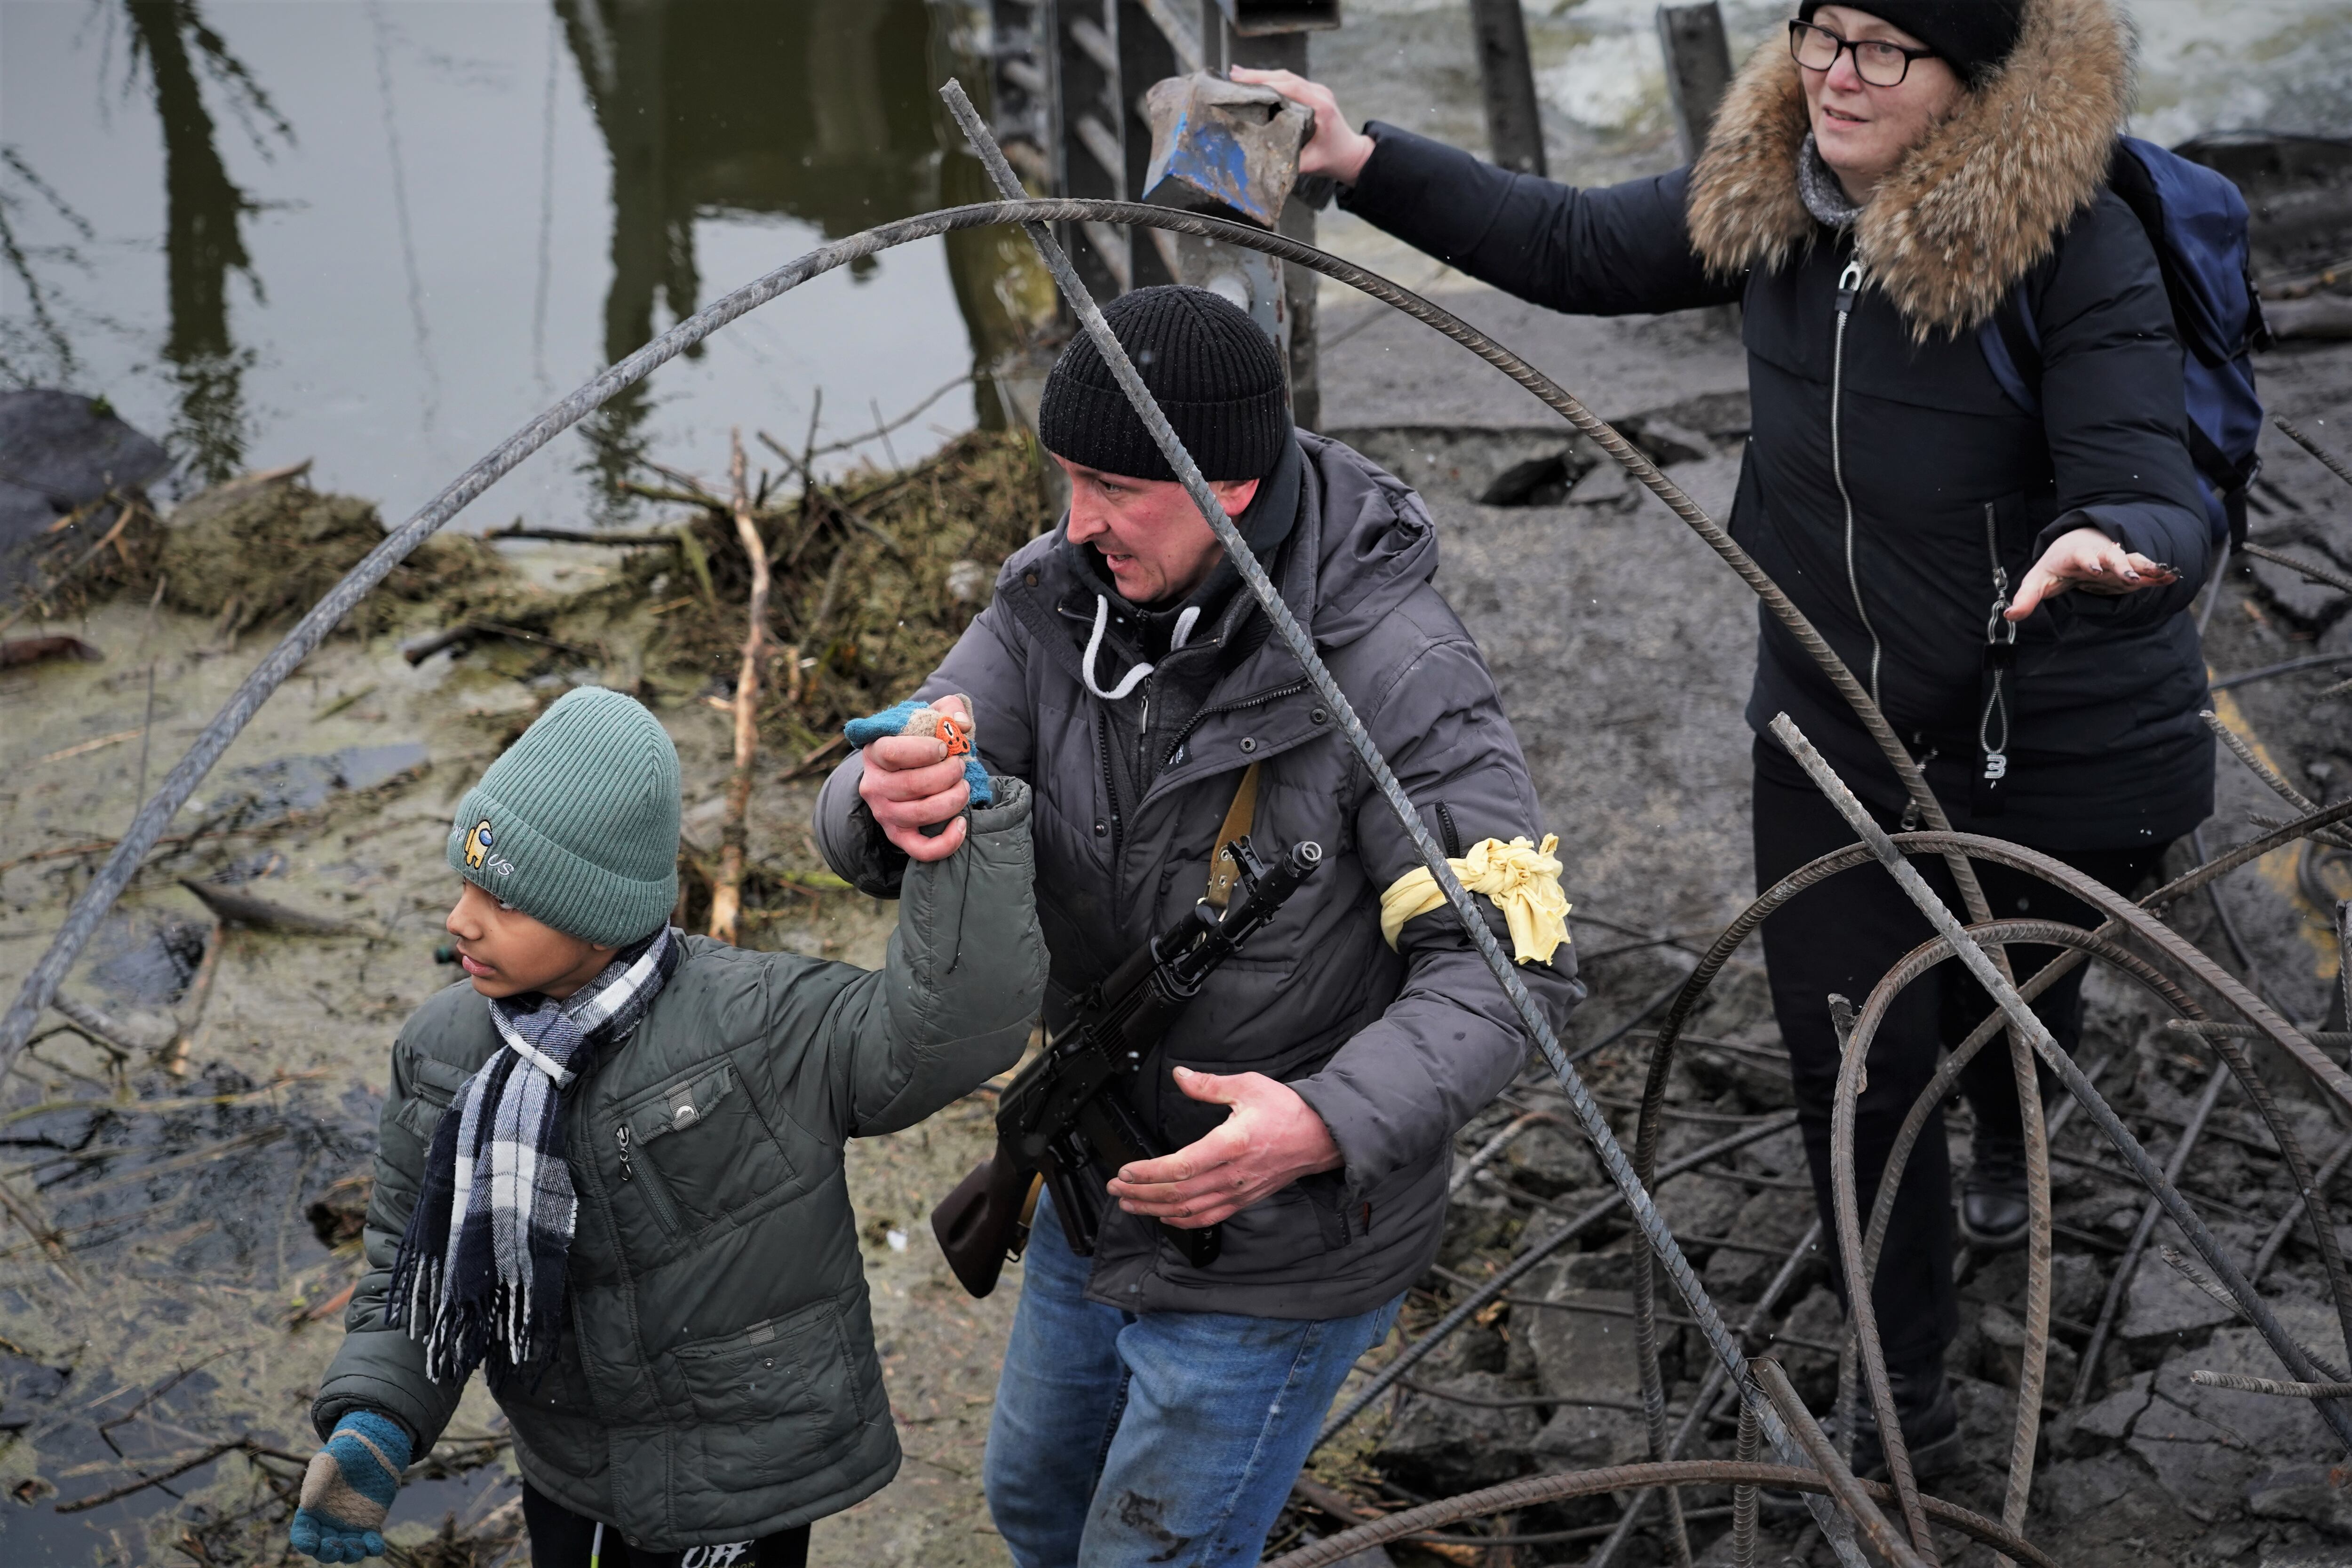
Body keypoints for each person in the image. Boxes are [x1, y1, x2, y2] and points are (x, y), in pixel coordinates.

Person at [1236, 0, 2214, 1480]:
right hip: (1830, 726)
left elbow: (2150, 467)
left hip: (2050, 731)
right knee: (1856, 1067)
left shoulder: (2080, 240)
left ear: (1975, 81)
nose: (1836, 72)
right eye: (1823, 30)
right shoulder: (1775, 197)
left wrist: (2117, 540)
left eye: (1886, 48)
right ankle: (1912, 1422)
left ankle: (2017, 1134)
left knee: (2013, 991)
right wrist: (1359, 159)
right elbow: (1568, 247)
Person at [813, 284, 1583, 1566]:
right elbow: (912, 745)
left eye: (1113, 485)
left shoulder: (1400, 671)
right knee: (1036, 1506)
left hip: (1280, 1240)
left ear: (1227, 481)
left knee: (1149, 1556)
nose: (1077, 521)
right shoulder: (1055, 601)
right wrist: (880, 793)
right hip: (1092, 1185)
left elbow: (1513, 971)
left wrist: (1321, 1121)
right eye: (1064, 477)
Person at [294, 686, 1043, 1565]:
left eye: (504, 901)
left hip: (739, 1486)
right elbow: (409, 1269)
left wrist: (966, 832)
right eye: (464, 882)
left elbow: (949, 1031)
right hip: (565, 1461)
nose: (461, 918)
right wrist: (375, 1425)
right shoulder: (443, 1050)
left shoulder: (762, 1025)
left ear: (600, 915)